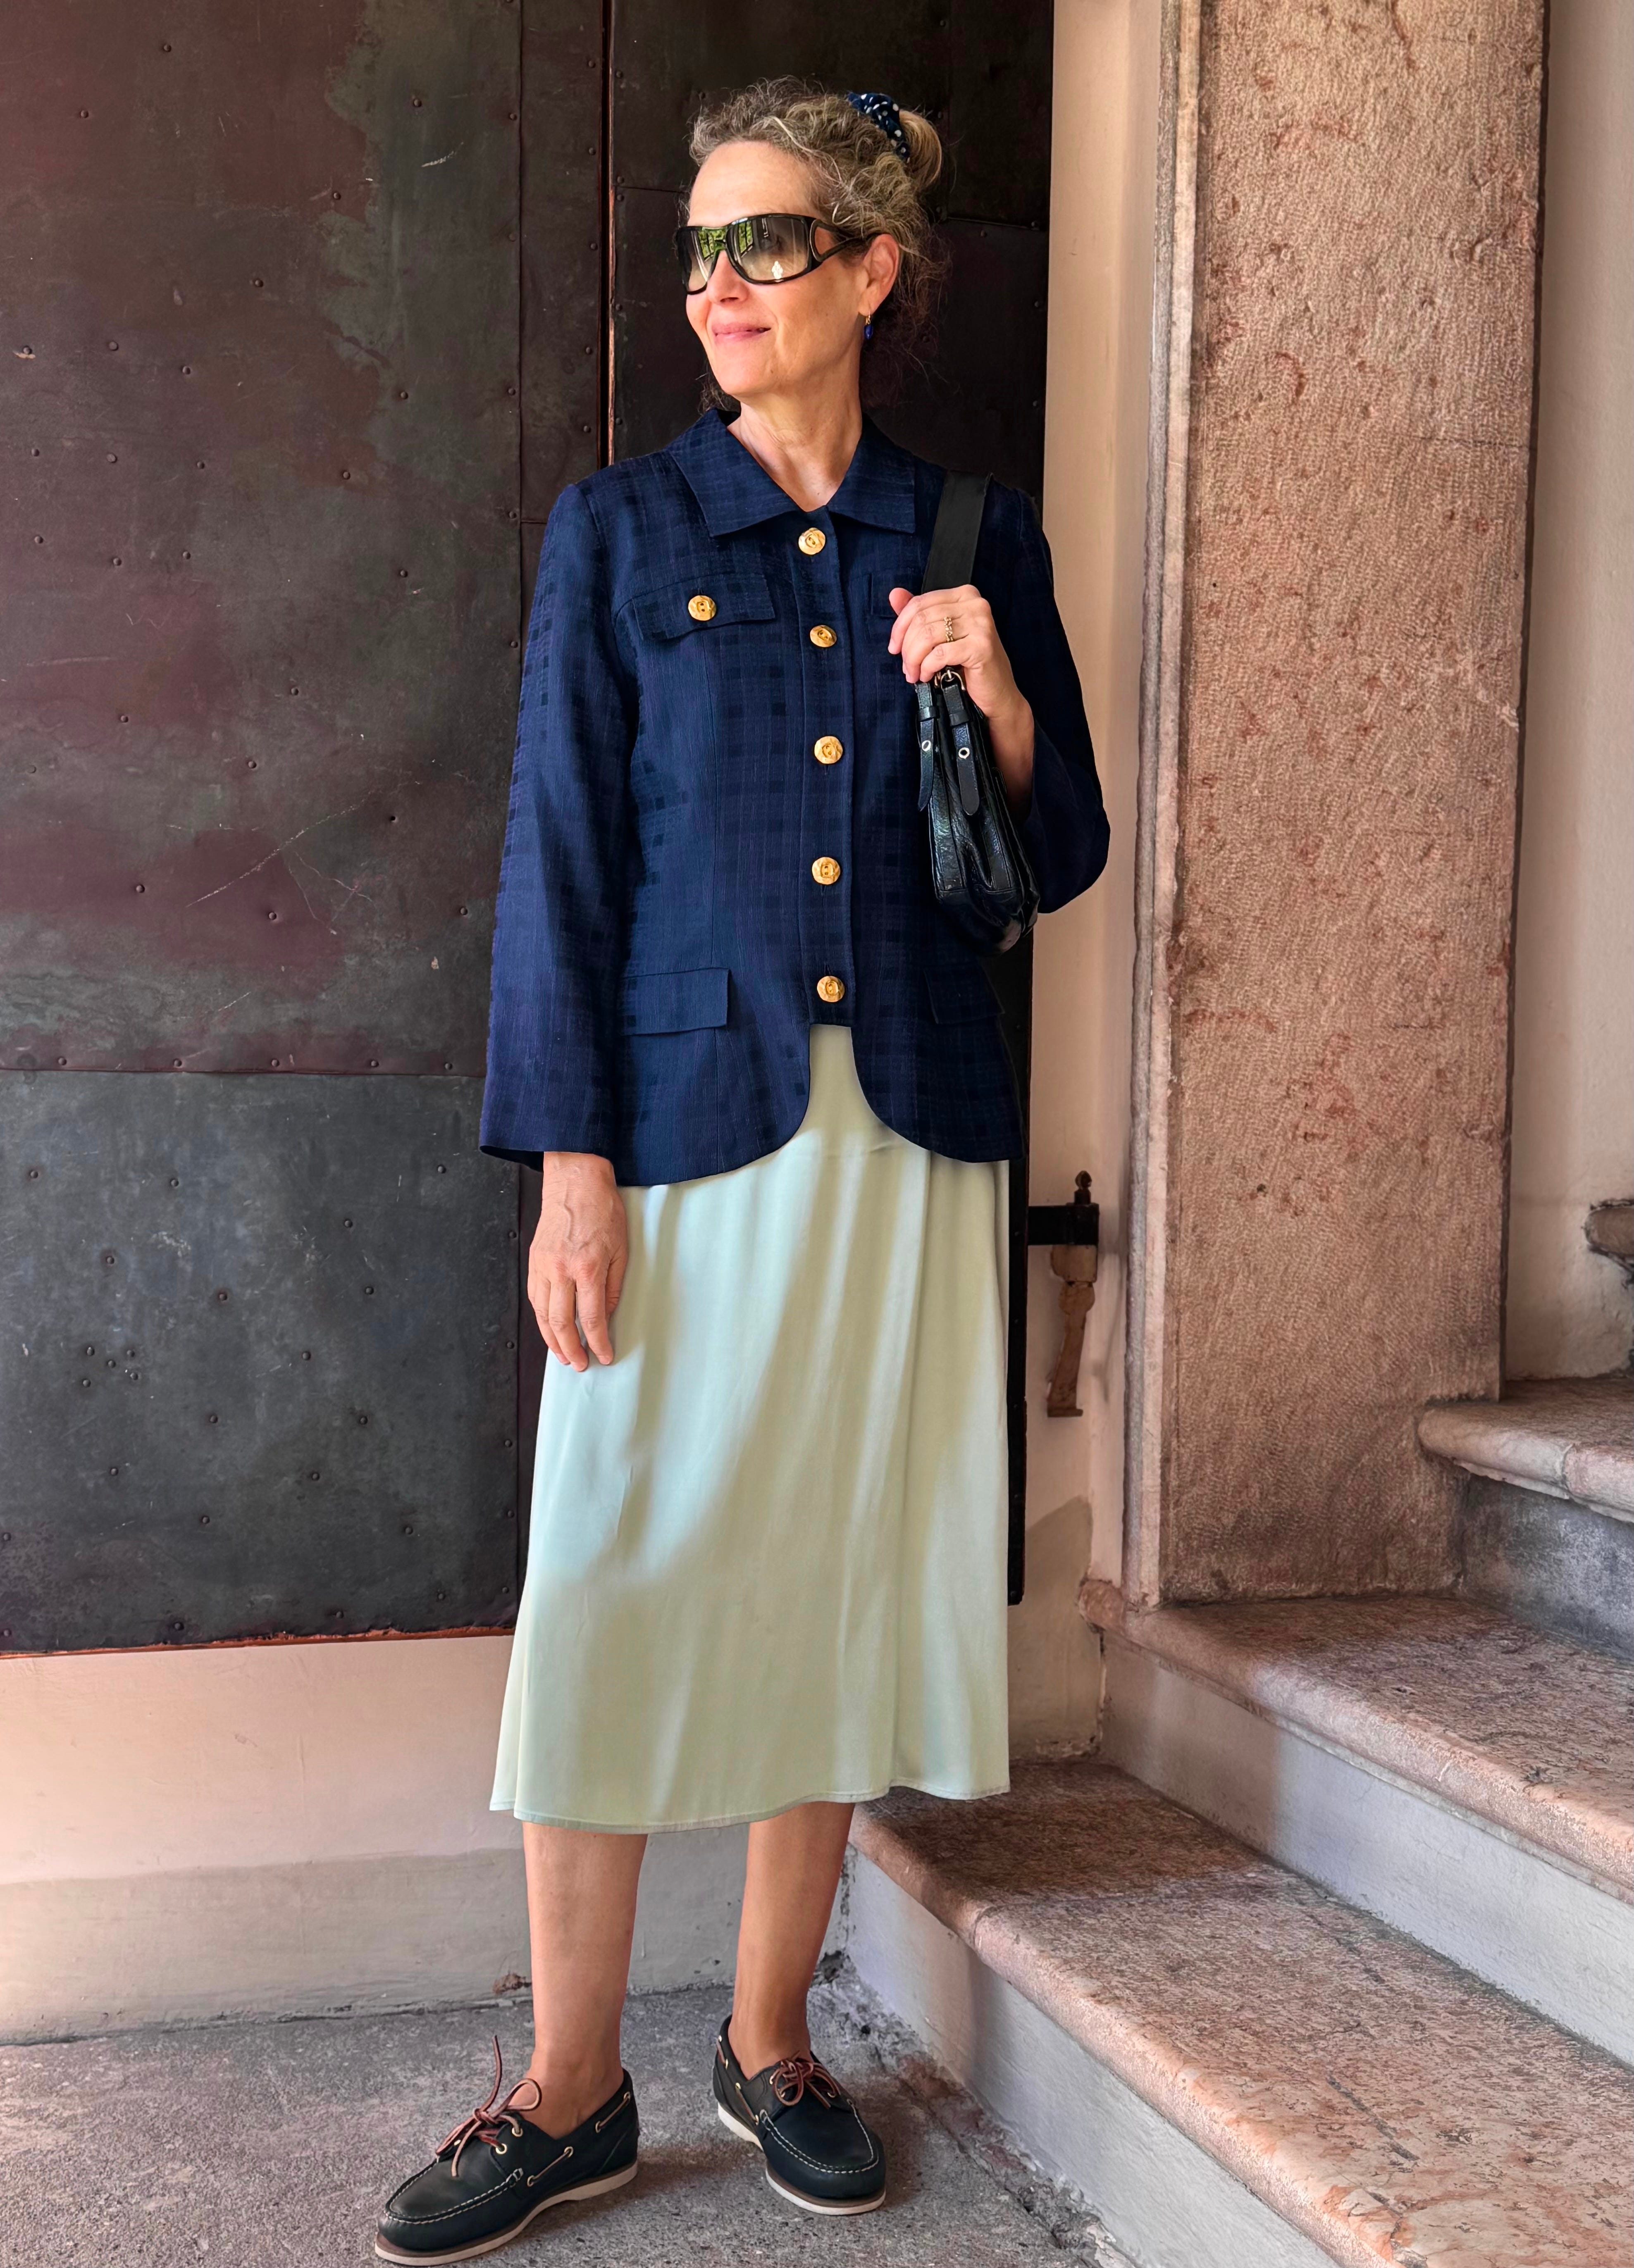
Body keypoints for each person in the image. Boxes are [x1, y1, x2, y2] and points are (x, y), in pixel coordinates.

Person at [375, 76, 1109, 2263]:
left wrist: (993, 694)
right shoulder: (620, 534)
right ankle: (568, 2085)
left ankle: (769, 2040)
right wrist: (569, 1167)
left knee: (837, 1586)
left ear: (873, 269)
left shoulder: (970, 534)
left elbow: (1055, 854)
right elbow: (559, 869)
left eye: (766, 241)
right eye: (702, 247)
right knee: (612, 1580)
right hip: (687, 1137)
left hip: (915, 1136)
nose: (719, 284)